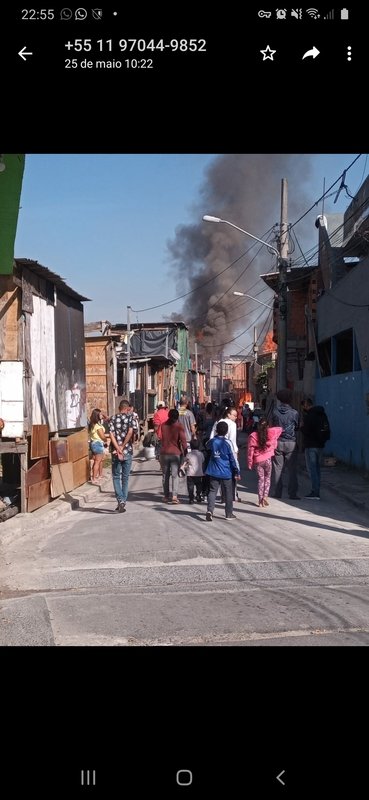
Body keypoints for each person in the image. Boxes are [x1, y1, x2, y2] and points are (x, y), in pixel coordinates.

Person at [205, 421, 240, 521]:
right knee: (228, 492)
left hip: (214, 471)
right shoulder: (228, 443)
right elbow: (233, 458)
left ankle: (210, 511)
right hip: (226, 472)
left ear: (216, 430)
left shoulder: (212, 441)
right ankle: (229, 514)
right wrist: (237, 471)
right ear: (227, 432)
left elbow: (206, 445)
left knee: (212, 491)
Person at [271, 389, 300, 500]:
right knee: (292, 469)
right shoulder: (294, 413)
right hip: (291, 442)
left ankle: (278, 492)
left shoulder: (275, 412)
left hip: (278, 442)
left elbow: (272, 426)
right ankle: (292, 493)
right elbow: (297, 426)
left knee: (278, 468)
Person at [247, 418, 282, 507]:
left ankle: (260, 500)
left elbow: (250, 451)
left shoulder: (253, 436)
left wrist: (250, 463)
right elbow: (280, 429)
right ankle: (265, 497)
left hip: (258, 460)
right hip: (268, 459)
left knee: (261, 479)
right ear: (268, 426)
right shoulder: (271, 434)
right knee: (267, 479)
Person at [300, 398, 331, 499]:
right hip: (320, 445)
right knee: (317, 468)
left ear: (306, 405)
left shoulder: (309, 416)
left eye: (304, 405)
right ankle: (316, 489)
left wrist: (301, 427)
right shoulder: (322, 414)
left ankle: (315, 492)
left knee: (312, 469)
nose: (303, 408)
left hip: (311, 445)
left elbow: (306, 430)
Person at [108, 398, 134, 513]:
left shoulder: (112, 419)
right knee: (125, 477)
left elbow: (111, 435)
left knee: (116, 476)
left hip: (116, 452)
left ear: (119, 408)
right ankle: (123, 500)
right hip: (127, 451)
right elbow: (130, 432)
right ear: (127, 409)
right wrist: (123, 446)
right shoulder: (130, 418)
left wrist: (118, 448)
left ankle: (120, 500)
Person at [160, 408, 188, 504]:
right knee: (174, 475)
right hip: (175, 453)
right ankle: (174, 496)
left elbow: (160, 437)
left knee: (165, 475)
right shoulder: (179, 426)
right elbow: (183, 441)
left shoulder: (163, 425)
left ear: (168, 416)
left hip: (164, 453)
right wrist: (186, 453)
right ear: (177, 417)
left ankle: (166, 496)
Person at [181, 437, 205, 504]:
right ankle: (198, 495)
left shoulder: (188, 454)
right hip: (199, 473)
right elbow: (203, 461)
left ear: (190, 446)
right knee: (199, 485)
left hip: (190, 473)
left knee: (190, 486)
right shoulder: (201, 454)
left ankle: (191, 498)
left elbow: (185, 461)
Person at [88, 408, 108, 484]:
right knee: (97, 462)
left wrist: (103, 416)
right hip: (98, 443)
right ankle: (94, 478)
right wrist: (106, 440)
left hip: (94, 443)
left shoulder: (93, 424)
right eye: (100, 414)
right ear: (97, 415)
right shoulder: (98, 426)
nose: (102, 415)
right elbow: (102, 436)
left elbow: (107, 419)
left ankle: (97, 476)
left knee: (97, 461)